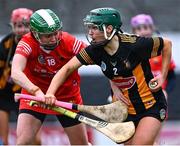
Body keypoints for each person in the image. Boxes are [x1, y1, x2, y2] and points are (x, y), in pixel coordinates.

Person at [44, 8, 172, 145]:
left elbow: (167, 45)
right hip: (124, 111)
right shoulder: (94, 51)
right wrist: (50, 93)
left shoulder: (134, 45)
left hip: (151, 106)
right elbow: (67, 68)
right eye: (89, 27)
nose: (90, 32)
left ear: (109, 28)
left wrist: (163, 76)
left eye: (94, 28)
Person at [11, 9, 89, 145]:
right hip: (35, 97)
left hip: (67, 96)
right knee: (22, 143)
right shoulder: (27, 43)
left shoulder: (68, 41)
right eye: (48, 36)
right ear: (35, 34)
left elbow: (95, 56)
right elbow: (16, 72)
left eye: (55, 33)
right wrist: (36, 92)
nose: (53, 38)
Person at [0, 8, 38, 145]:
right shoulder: (6, 44)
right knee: (3, 141)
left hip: (26, 94)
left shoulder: (38, 43)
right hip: (4, 95)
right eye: (18, 26)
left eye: (26, 26)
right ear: (12, 26)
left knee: (35, 140)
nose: (22, 30)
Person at [130, 14, 176, 97]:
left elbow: (171, 77)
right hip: (138, 96)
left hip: (158, 94)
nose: (143, 31)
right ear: (133, 31)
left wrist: (165, 91)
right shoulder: (129, 52)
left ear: (152, 29)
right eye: (139, 28)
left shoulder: (163, 50)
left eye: (146, 27)